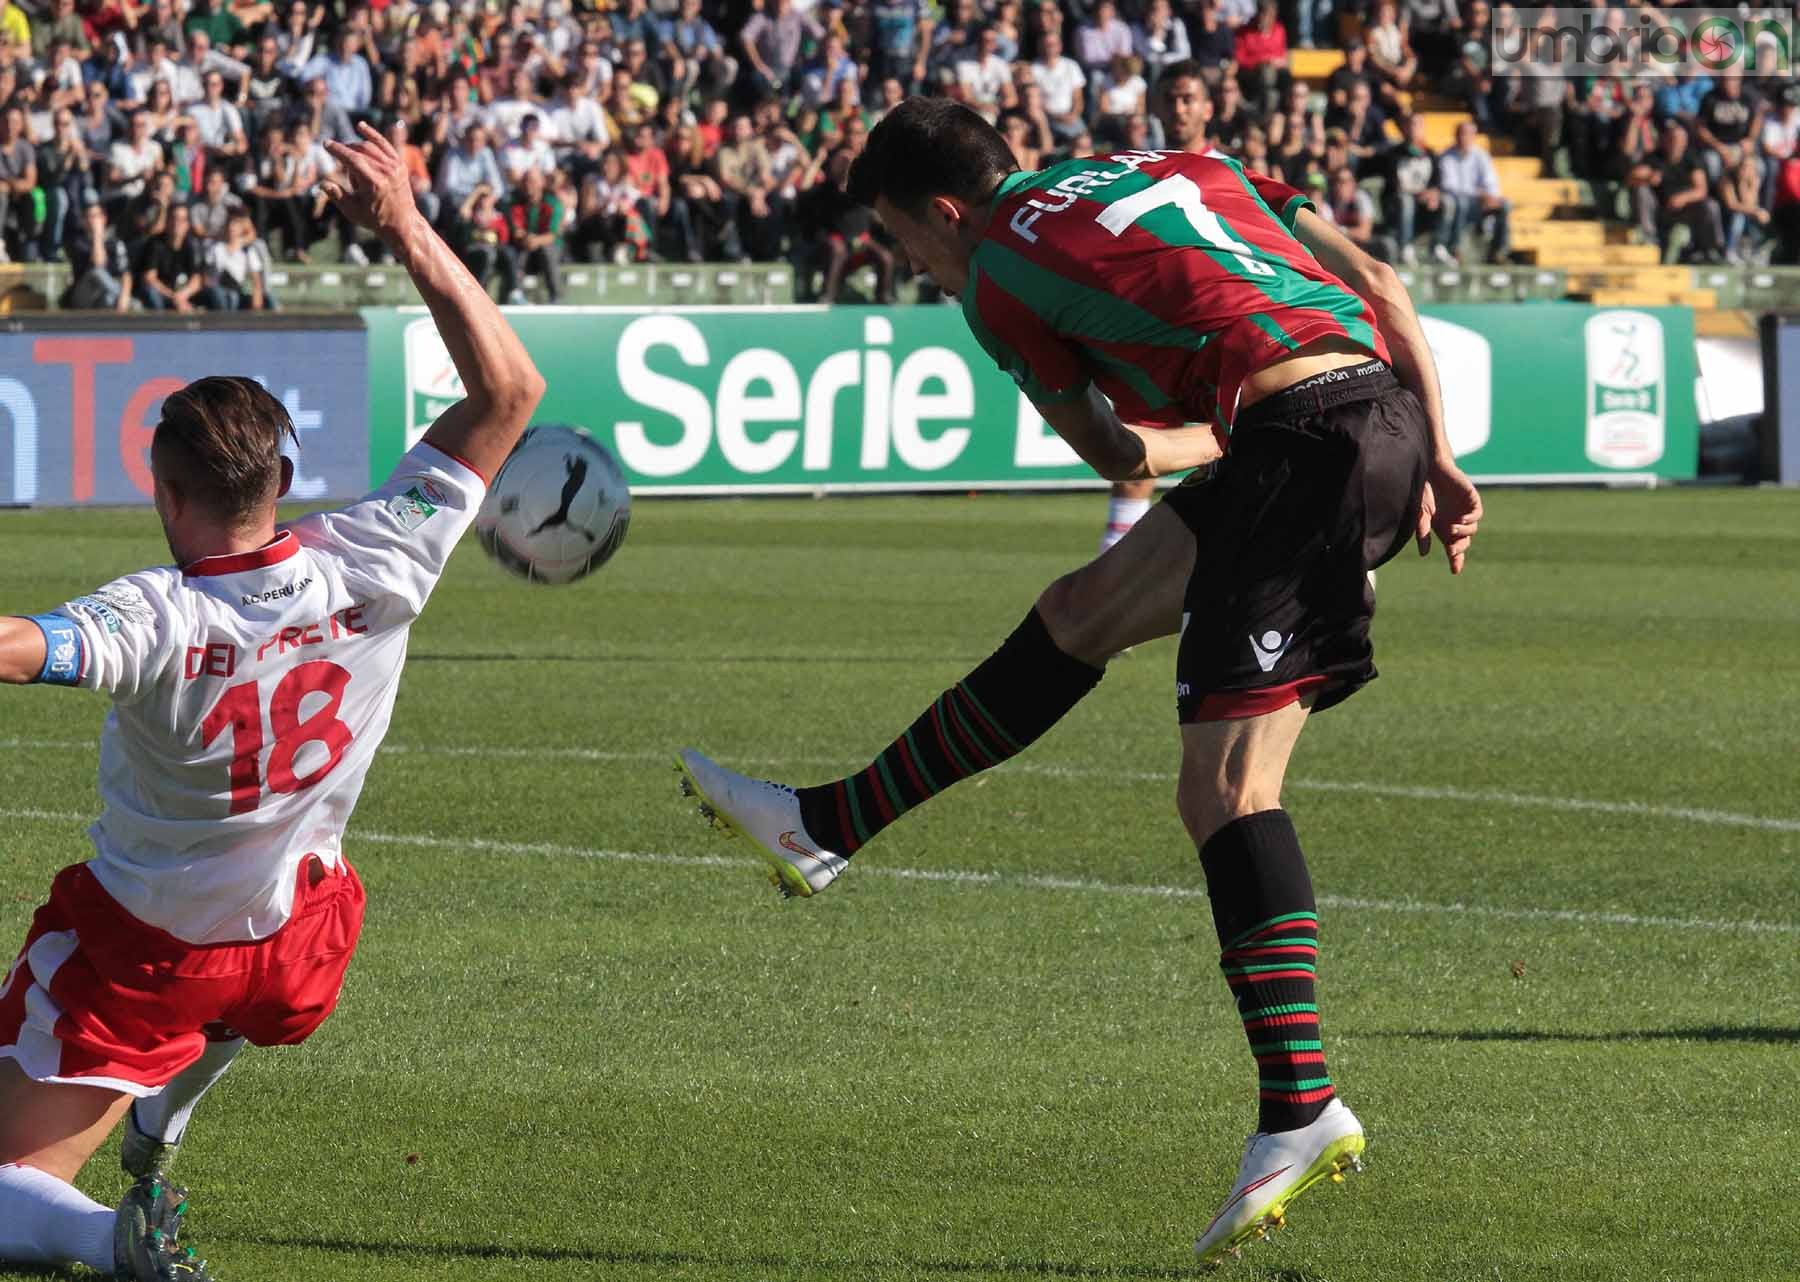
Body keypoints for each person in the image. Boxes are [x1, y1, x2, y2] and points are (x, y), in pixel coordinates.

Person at [676, 97, 1480, 1269]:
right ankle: (826, 825)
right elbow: (1389, 292)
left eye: (908, 241)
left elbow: (1119, 460)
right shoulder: (1182, 160)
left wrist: (1239, 439)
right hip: (1359, 415)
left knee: (1228, 794)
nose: (916, 264)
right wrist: (1439, 458)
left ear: (946, 212)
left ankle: (1301, 1104)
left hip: (1303, 449)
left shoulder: (998, 274)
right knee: (1081, 613)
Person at [0, 121, 544, 1282]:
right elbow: (511, 385)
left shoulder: (159, 613)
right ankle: (164, 1113)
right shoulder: (378, 559)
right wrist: (401, 222)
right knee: (244, 981)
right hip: (302, 943)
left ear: (164, 486)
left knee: (11, 1186)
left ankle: (114, 1242)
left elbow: (17, 646)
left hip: (154, 953)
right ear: (283, 480)